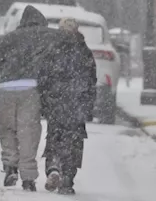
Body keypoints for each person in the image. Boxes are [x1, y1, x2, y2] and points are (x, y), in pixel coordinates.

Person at [0, 5, 57, 191]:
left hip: (6, 89)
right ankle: (28, 177)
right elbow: (50, 65)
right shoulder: (44, 37)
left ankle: (10, 166)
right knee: (28, 132)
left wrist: (10, 73)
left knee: (6, 129)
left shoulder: (10, 37)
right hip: (30, 89)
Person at [39, 17, 97, 195]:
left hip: (56, 103)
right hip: (77, 105)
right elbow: (91, 80)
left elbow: (43, 76)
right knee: (74, 143)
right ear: (77, 30)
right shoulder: (84, 50)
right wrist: (88, 105)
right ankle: (67, 180)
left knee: (55, 137)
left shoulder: (51, 48)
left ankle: (53, 167)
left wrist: (44, 101)